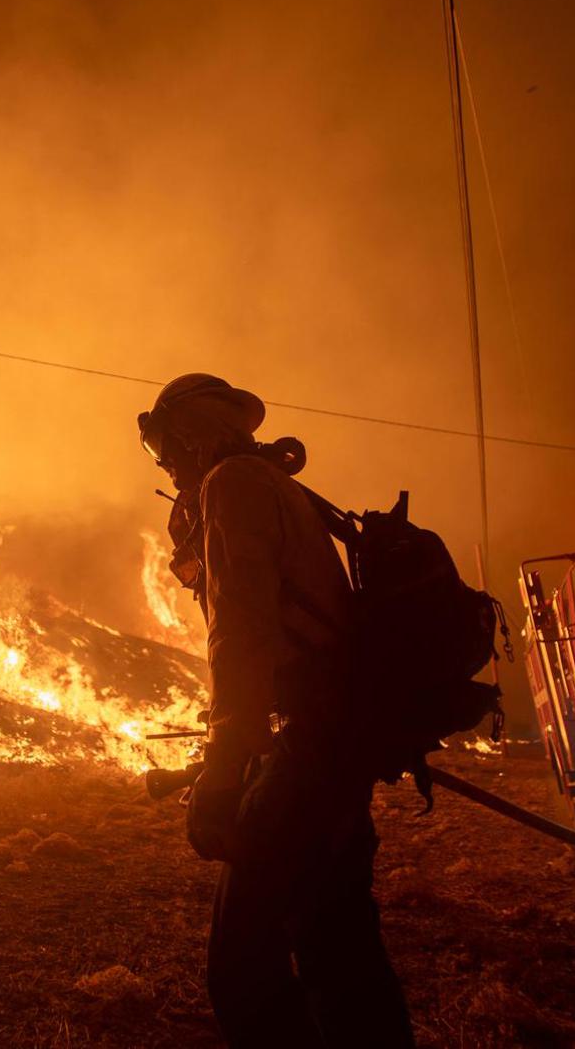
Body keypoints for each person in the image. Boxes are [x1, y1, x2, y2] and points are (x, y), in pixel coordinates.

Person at [137, 373, 414, 1048]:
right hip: (332, 740)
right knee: (337, 945)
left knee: (243, 967)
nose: (166, 465)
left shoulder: (232, 485)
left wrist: (226, 763)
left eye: (166, 448)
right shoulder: (272, 485)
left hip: (305, 746)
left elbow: (244, 630)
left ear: (191, 433)